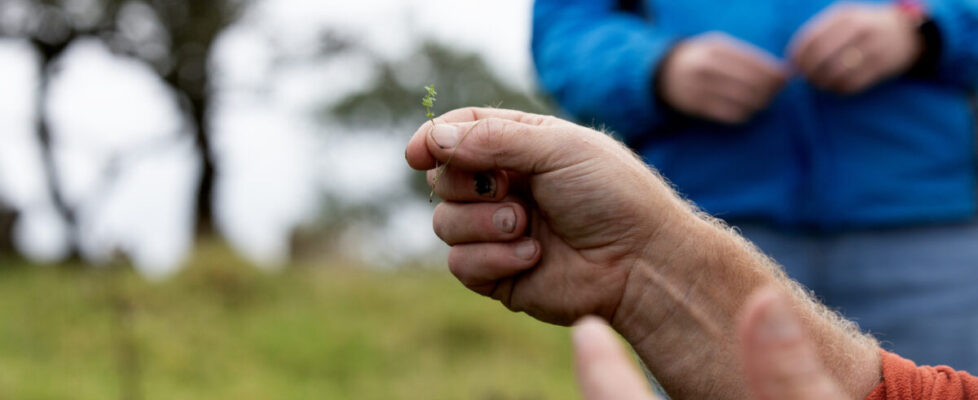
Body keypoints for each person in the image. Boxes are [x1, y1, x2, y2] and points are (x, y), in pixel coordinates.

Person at [405, 107, 978, 400]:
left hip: (927, 212)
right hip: (724, 198)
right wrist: (657, 70)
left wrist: (924, 29)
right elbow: (572, 25)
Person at [531, 0, 978, 372]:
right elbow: (565, 32)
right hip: (702, 233)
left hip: (931, 241)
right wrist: (657, 68)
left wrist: (926, 30)